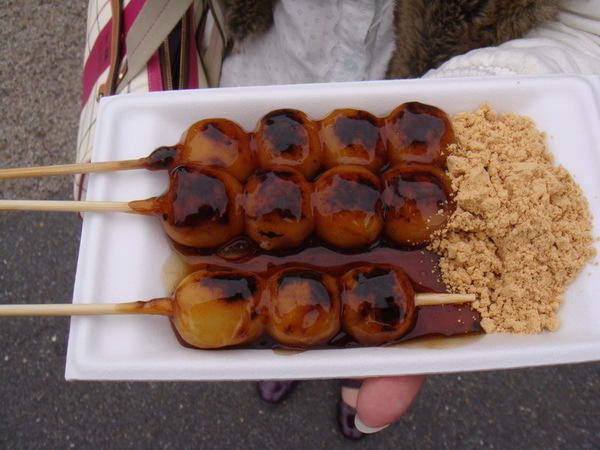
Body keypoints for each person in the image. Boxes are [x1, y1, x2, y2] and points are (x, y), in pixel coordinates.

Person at [217, 0, 600, 440]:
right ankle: (284, 339)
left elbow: (590, 27)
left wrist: (472, 87)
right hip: (267, 78)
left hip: (427, 116)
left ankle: (351, 369)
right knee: (282, 306)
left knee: (368, 312)